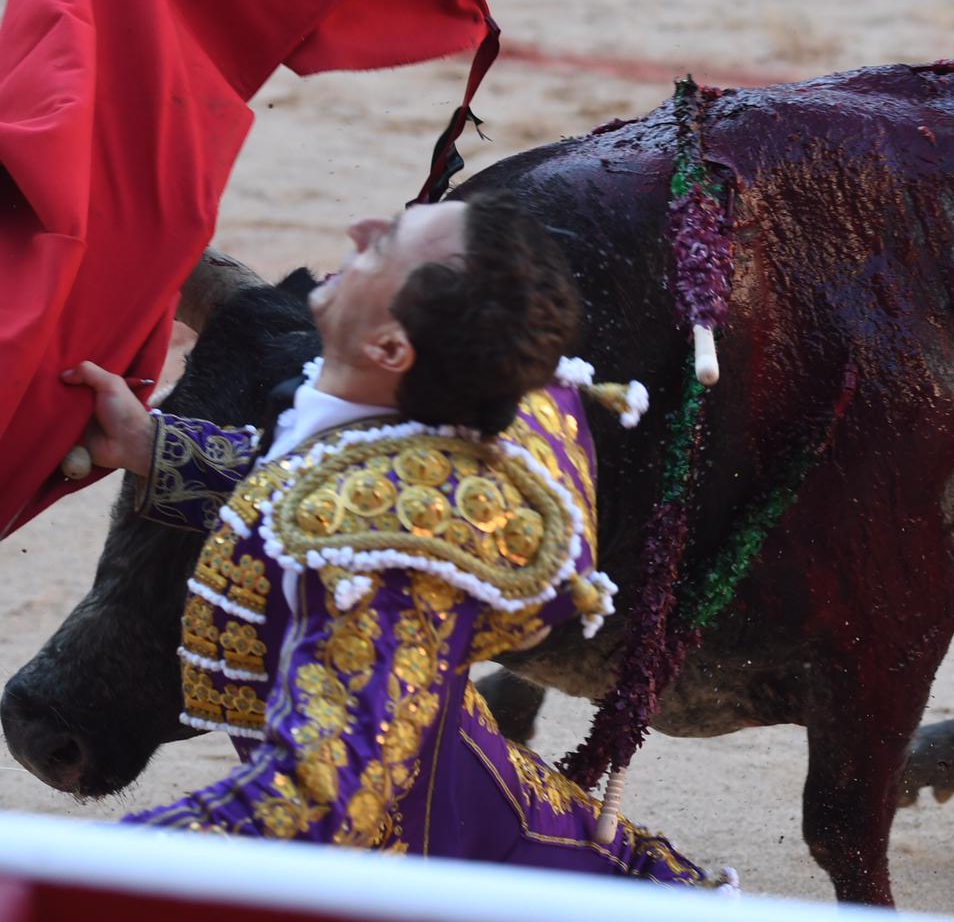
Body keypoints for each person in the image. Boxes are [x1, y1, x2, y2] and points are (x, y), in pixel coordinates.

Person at [62, 190, 727, 887]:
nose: (360, 225)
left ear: (388, 346)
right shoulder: (449, 402)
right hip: (459, 843)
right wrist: (157, 447)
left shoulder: (380, 572)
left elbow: (314, 804)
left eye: (386, 245)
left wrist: (86, 872)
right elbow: (337, 472)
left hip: (442, 888)